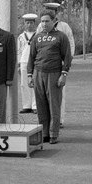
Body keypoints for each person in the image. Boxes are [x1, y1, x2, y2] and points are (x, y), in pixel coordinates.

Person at [27, 10, 73, 144]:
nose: (44, 24)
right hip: (38, 73)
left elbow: (67, 57)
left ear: (54, 21)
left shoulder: (61, 36)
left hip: (54, 73)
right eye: (42, 21)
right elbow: (31, 57)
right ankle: (44, 133)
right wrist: (30, 75)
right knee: (41, 105)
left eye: (47, 21)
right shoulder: (37, 37)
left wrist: (63, 74)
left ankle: (53, 133)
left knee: (54, 104)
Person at [42, 2, 75, 128]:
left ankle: (59, 119)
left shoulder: (64, 26)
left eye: (52, 11)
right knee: (45, 94)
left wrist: (68, 61)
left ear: (56, 13)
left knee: (60, 92)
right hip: (45, 65)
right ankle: (47, 120)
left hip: (59, 64)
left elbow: (70, 43)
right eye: (48, 10)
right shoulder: (42, 26)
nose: (50, 12)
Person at [17, 13, 38, 114]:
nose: (29, 25)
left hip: (34, 61)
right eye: (27, 23)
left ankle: (35, 105)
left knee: (34, 83)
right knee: (23, 84)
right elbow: (18, 50)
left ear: (34, 24)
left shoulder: (38, 35)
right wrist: (18, 64)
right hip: (24, 61)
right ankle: (26, 105)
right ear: (24, 24)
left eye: (31, 23)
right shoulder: (21, 36)